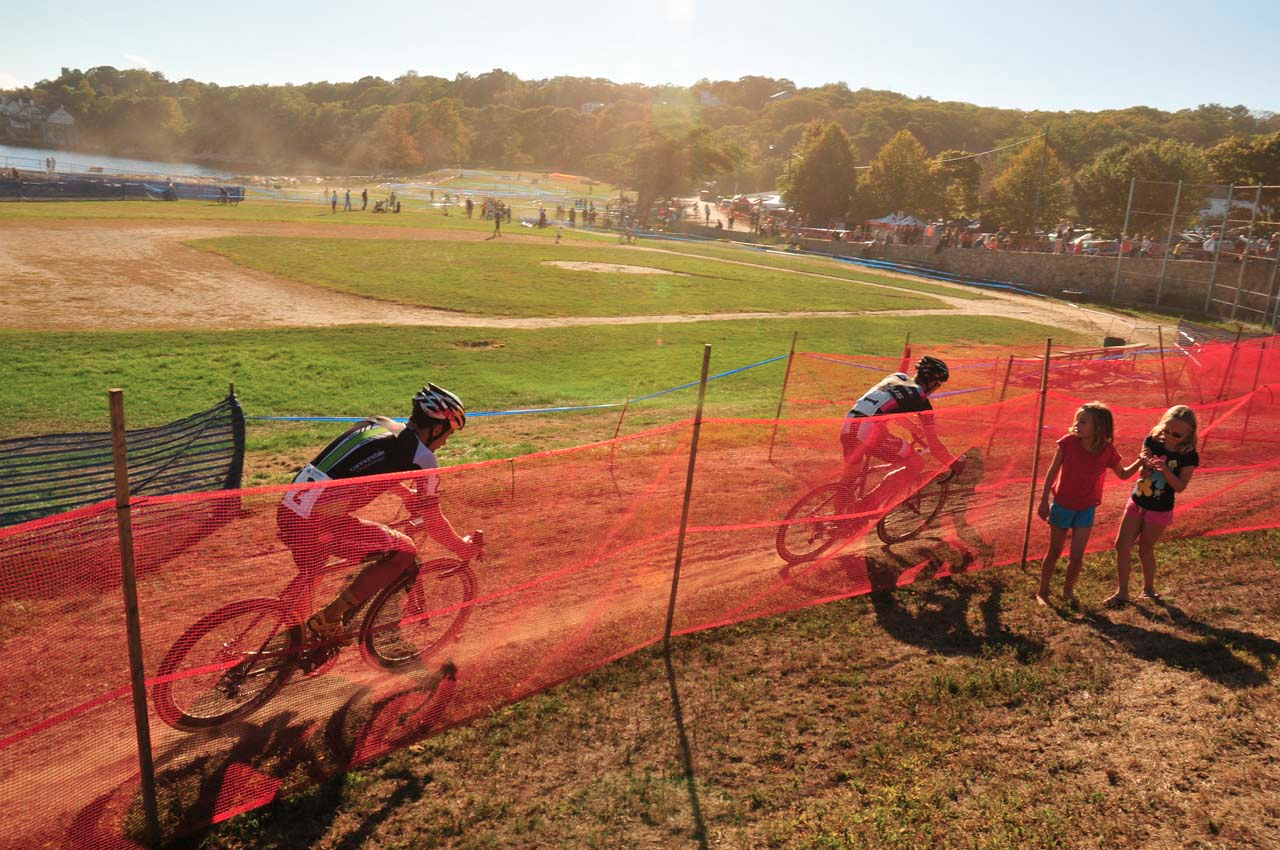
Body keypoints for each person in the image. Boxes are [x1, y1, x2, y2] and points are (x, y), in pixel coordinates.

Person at [276, 383, 481, 642]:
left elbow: (355, 470)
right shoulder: (423, 457)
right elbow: (432, 519)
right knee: (404, 552)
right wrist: (461, 547)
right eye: (447, 436)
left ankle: (292, 641)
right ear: (437, 428)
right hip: (318, 522)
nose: (443, 443)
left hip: (289, 509)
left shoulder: (380, 425)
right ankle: (331, 616)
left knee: (314, 570)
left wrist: (406, 494)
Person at [837, 356, 960, 528]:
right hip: (869, 433)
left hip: (849, 426)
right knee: (916, 463)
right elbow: (935, 446)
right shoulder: (922, 402)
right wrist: (954, 463)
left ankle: (838, 522)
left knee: (848, 481)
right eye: (938, 385)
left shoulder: (897, 377)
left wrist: (916, 430)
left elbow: (893, 412)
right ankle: (868, 504)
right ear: (933, 382)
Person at [1035, 402, 1137, 607]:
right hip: (1062, 505)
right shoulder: (1068, 442)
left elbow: (1123, 474)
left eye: (1083, 421)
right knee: (1054, 551)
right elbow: (1052, 471)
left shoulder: (1107, 450)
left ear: (1098, 427)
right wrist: (1044, 499)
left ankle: (1068, 591)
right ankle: (1043, 592)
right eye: (1077, 420)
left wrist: (1142, 462)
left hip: (1086, 509)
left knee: (1077, 555)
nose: (1077, 424)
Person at [1106, 405, 1199, 606]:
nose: (1169, 437)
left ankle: (1148, 589)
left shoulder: (1188, 455)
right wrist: (1144, 467)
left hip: (1160, 509)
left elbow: (1180, 486)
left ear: (1188, 436)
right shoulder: (1152, 440)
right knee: (1121, 545)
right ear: (1161, 425)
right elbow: (1142, 466)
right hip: (1138, 500)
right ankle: (1122, 592)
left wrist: (1165, 471)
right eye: (1166, 430)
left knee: (1145, 549)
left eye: (1177, 435)